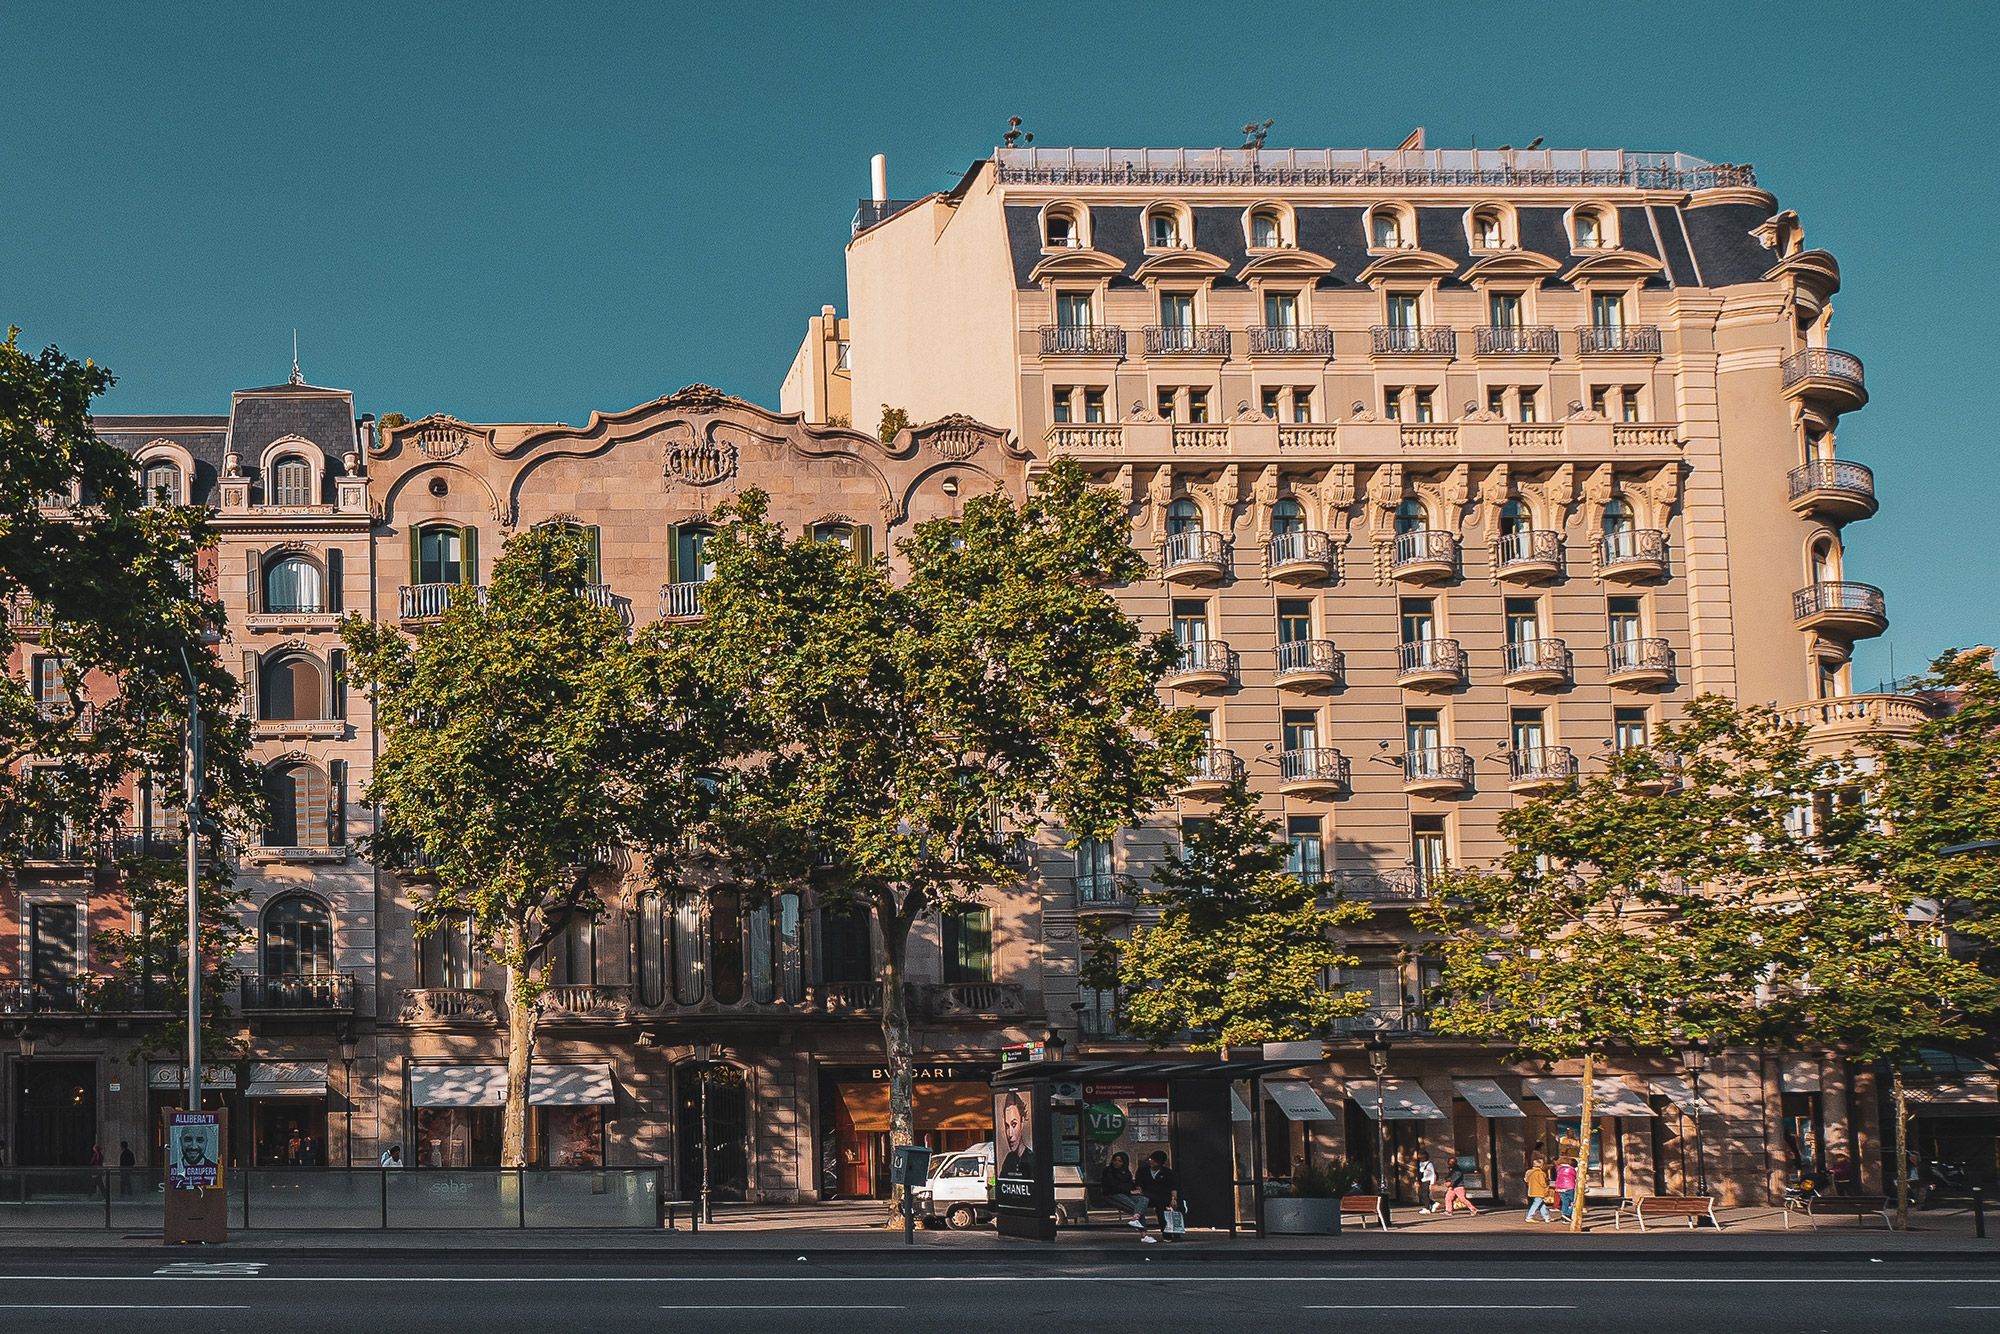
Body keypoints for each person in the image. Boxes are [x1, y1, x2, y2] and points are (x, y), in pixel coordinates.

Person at [1135, 1150, 1179, 1244]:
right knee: (1145, 1201)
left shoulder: (1168, 1173)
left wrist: (1173, 1199)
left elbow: (1173, 1187)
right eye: (1151, 1159)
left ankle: (1168, 1233)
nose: (1152, 1162)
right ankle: (1140, 1223)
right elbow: (1138, 1184)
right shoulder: (1143, 1171)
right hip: (1147, 1195)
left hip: (1162, 1197)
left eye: (1155, 1161)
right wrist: (1140, 1192)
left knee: (1161, 1209)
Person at [1100, 1151, 1146, 1229]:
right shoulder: (1108, 1171)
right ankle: (1143, 1233)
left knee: (1144, 1199)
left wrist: (1136, 1189)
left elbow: (1130, 1184)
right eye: (1115, 1160)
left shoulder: (1126, 1172)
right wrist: (1128, 1190)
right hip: (1112, 1194)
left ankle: (1136, 1219)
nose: (1116, 1163)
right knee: (1137, 1209)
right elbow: (1112, 1186)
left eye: (1120, 1161)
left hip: (1126, 1193)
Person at [998, 1092, 1036, 1179]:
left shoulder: (1032, 1159)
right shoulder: (1009, 1160)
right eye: (1007, 1126)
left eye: (1014, 1124)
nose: (1010, 1134)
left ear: (1022, 1122)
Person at [1523, 1156, 1554, 1223]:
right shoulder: (1540, 1173)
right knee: (1536, 1204)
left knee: (1541, 1204)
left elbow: (1526, 1180)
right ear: (1541, 1165)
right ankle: (1529, 1216)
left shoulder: (1528, 1172)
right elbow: (1543, 1183)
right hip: (1540, 1191)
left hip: (1532, 1190)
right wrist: (1547, 1188)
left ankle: (1547, 1217)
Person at [1553, 1155, 1579, 1222]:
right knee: (1574, 1201)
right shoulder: (1571, 1169)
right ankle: (1567, 1214)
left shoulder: (1559, 1169)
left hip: (1559, 1187)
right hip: (1569, 1186)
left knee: (1565, 1202)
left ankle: (1564, 1215)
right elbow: (1577, 1177)